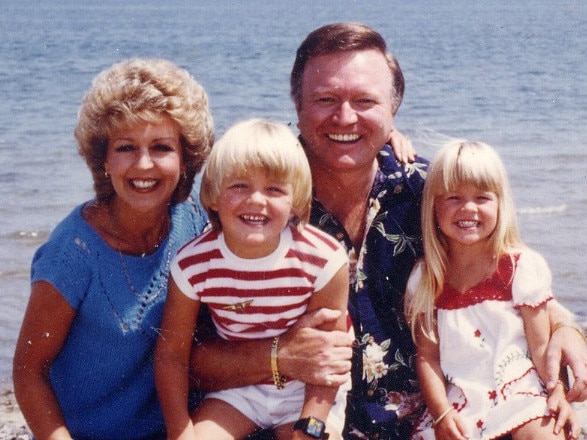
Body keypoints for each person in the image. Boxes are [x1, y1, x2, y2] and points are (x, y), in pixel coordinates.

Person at [188, 22, 587, 440]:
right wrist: (279, 357)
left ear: (393, 111)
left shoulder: (432, 193)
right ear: (298, 107)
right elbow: (188, 357)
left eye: (365, 101)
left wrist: (566, 329)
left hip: (432, 423)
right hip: (293, 423)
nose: (345, 118)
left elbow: (504, 271)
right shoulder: (254, 202)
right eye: (325, 99)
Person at [12, 58, 213, 440]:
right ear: (103, 159)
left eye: (161, 147)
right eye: (126, 147)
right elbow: (28, 372)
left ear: (186, 158)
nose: (143, 165)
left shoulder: (196, 221)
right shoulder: (71, 251)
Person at [155, 118, 350, 440]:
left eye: (274, 189)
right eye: (239, 186)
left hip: (306, 390)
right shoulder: (193, 263)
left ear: (295, 201)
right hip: (237, 390)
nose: (256, 200)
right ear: (215, 196)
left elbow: (327, 356)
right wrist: (180, 432)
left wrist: (310, 424)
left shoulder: (324, 258)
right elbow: (171, 356)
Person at [405, 140, 578, 440]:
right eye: (454, 197)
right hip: (460, 402)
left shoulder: (521, 267)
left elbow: (540, 349)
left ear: (501, 203)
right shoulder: (426, 277)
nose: (468, 208)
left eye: (482, 197)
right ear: (433, 205)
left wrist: (558, 393)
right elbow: (427, 358)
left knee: (546, 434)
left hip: (519, 392)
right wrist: (441, 412)